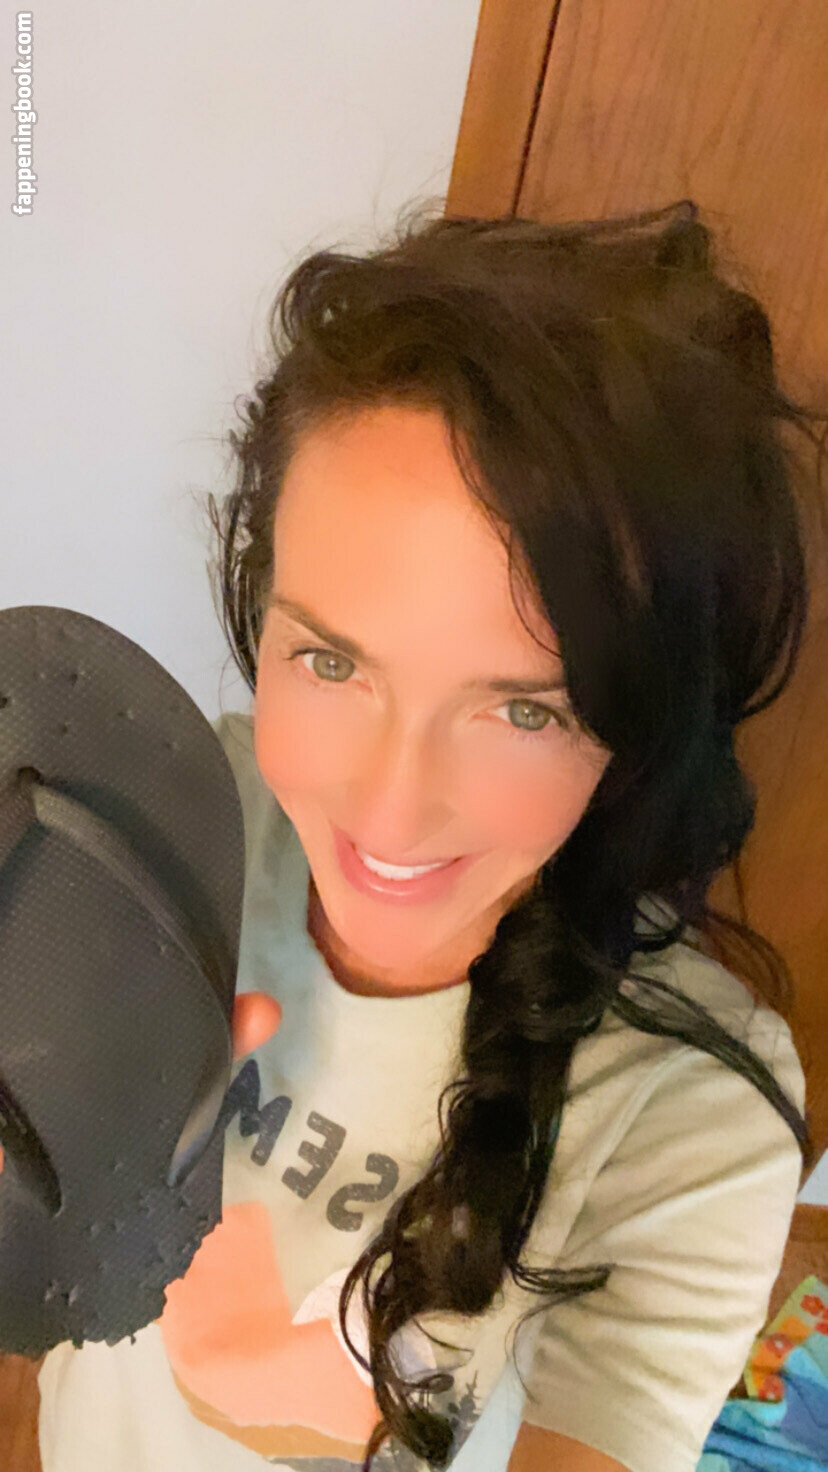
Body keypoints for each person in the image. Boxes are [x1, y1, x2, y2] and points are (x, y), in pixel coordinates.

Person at [35, 199, 825, 1472]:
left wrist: (339, 1424)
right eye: (331, 659)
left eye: (523, 708)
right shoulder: (154, 821)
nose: (391, 809)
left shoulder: (692, 1110)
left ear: (638, 717)